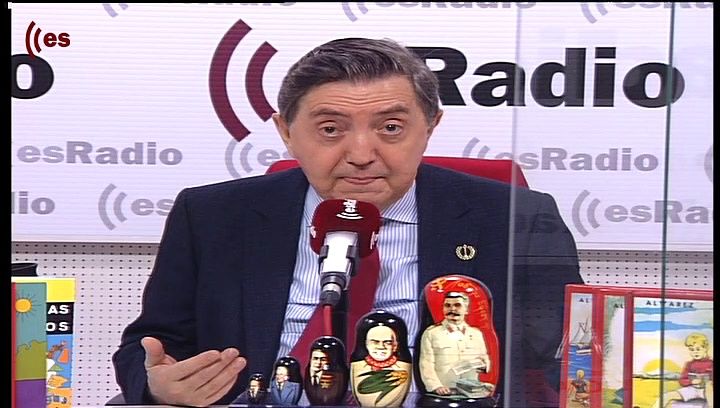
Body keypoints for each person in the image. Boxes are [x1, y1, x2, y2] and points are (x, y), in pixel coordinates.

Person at [111, 36, 583, 407]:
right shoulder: (213, 215)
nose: (360, 154)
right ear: (286, 132)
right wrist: (158, 385)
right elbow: (149, 346)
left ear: (430, 127)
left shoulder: (516, 218)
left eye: (390, 128)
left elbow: (562, 357)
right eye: (330, 129)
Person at [418, 292, 491, 396]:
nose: (452, 309)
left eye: (457, 305)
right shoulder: (432, 333)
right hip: (444, 390)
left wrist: (484, 366)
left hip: (470, 390)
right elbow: (426, 364)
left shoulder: (476, 334)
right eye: (447, 305)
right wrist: (436, 386)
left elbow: (484, 357)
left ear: (466, 310)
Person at [350, 310, 412, 407]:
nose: (381, 347)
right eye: (375, 342)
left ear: (395, 346)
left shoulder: (402, 368)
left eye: (387, 342)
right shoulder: (358, 365)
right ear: (366, 344)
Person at [650, 333, 713, 408]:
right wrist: (691, 382)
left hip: (707, 391)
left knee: (709, 387)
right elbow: (682, 380)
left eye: (698, 349)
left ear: (705, 349)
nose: (695, 352)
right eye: (691, 350)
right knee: (666, 396)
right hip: (692, 389)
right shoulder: (689, 364)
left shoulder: (711, 363)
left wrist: (707, 381)